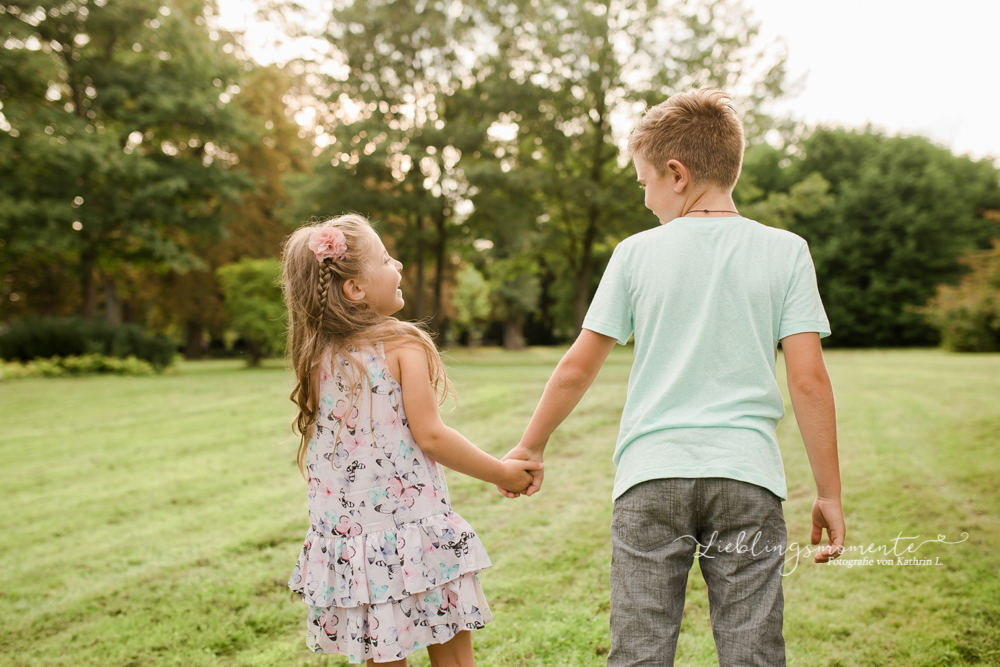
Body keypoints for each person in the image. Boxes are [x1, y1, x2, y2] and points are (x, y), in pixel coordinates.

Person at [499, 89, 846, 666]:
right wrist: (828, 492)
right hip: (747, 477)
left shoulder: (634, 254)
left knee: (639, 649)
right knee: (753, 649)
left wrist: (531, 445)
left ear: (676, 174)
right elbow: (809, 382)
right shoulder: (787, 252)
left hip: (650, 477)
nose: (645, 199)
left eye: (644, 182)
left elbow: (578, 366)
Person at [281, 213, 543, 666]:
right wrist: (502, 472)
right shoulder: (402, 346)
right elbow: (432, 435)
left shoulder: (315, 354)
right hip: (415, 532)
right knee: (454, 659)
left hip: (354, 545)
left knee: (384, 656)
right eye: (385, 258)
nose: (397, 264)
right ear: (355, 289)